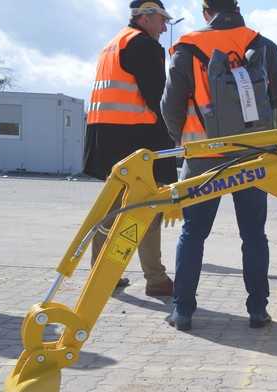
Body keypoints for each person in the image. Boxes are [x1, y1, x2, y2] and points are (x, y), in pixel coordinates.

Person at [161, 0, 277, 331]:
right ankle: (258, 310)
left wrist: (183, 142)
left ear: (206, 12)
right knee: (254, 235)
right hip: (252, 155)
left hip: (203, 155)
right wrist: (272, 148)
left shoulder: (188, 47)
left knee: (193, 233)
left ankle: (183, 311)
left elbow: (170, 106)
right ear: (237, 8)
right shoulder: (264, 46)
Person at [83, 0, 177, 297]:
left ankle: (102, 274)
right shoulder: (143, 45)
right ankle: (156, 278)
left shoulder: (113, 44)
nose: (165, 27)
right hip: (136, 137)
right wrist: (176, 130)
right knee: (146, 205)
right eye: (162, 19)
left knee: (113, 206)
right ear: (146, 17)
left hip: (105, 137)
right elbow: (158, 97)